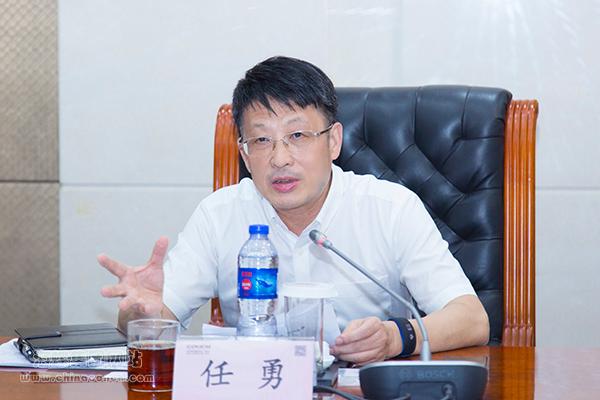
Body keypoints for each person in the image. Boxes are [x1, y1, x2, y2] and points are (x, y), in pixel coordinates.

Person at [98, 56, 489, 365]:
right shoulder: (219, 215)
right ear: (245, 154)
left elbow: (471, 318)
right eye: (261, 140)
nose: (280, 158)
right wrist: (140, 314)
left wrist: (395, 337)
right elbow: (152, 324)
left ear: (333, 141)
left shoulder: (391, 209)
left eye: (297, 135)